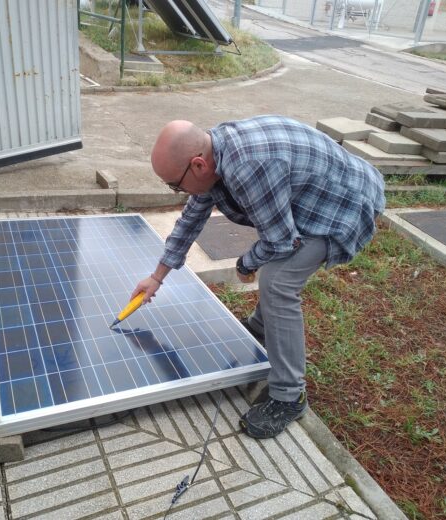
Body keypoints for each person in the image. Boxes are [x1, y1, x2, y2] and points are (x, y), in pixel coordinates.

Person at [131, 115, 385, 439]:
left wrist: (246, 263)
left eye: (174, 184)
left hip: (344, 207)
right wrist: (157, 277)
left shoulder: (248, 167)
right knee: (275, 266)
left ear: (197, 165)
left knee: (277, 281)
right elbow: (192, 218)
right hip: (317, 196)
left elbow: (281, 241)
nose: (177, 191)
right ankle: (262, 328)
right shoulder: (215, 154)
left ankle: (289, 396)